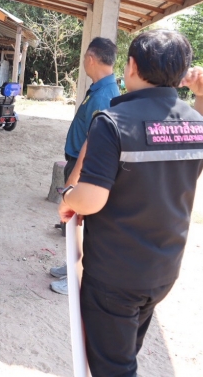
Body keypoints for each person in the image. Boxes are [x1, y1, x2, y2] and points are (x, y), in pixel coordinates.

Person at [58, 30, 203, 377]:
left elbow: (91, 199)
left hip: (115, 275)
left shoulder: (114, 122)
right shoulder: (198, 128)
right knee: (125, 351)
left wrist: (67, 197)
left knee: (113, 367)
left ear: (131, 66)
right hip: (162, 270)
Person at [51, 37, 120, 295]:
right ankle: (71, 265)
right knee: (74, 221)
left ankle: (77, 276)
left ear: (91, 59)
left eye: (84, 58)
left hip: (85, 169)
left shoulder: (104, 96)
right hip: (77, 163)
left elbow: (94, 144)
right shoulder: (100, 89)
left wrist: (76, 176)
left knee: (81, 222)